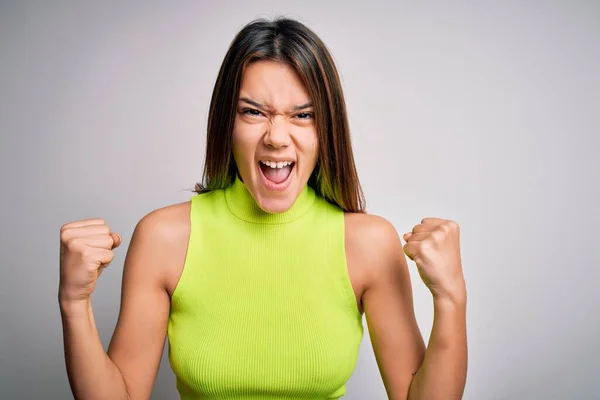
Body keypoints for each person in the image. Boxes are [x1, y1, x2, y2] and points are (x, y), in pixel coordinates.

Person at [58, 17, 467, 400]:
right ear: (226, 122)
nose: (277, 137)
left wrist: (451, 298)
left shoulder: (370, 244)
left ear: (327, 128)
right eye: (254, 112)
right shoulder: (164, 238)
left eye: (302, 115)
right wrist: (74, 303)